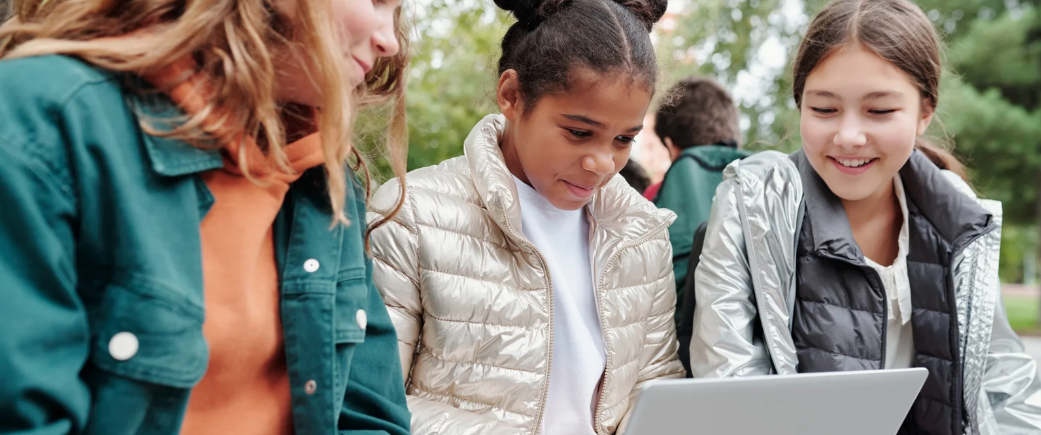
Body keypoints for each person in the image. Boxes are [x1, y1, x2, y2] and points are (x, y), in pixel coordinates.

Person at [0, 0, 413, 433]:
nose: (388, 42)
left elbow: (370, 415)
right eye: (378, 1)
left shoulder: (327, 180)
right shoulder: (41, 123)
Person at [688, 0, 1041, 433]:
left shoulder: (958, 215)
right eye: (824, 109)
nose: (849, 136)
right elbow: (729, 389)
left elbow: (1007, 386)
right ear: (800, 105)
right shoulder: (752, 205)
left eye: (879, 111)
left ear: (924, 112)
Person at [367, 0, 683, 433]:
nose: (603, 162)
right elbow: (372, 406)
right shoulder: (411, 214)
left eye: (624, 139)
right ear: (512, 95)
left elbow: (656, 394)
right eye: (579, 132)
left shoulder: (643, 234)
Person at [650, 77, 751, 324]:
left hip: (681, 340)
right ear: (734, 137)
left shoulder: (652, 197)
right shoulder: (764, 176)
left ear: (671, 145)